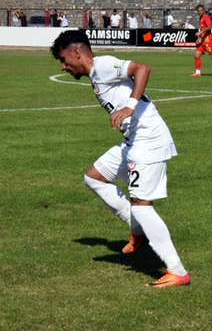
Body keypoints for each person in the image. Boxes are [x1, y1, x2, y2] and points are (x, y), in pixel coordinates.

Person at [50, 30, 190, 288]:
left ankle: (177, 270)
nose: (62, 66)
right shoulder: (95, 74)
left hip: (148, 140)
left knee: (141, 204)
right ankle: (138, 231)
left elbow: (142, 68)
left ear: (76, 53)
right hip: (132, 142)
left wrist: (130, 106)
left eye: (63, 59)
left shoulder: (102, 65)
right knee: (94, 177)